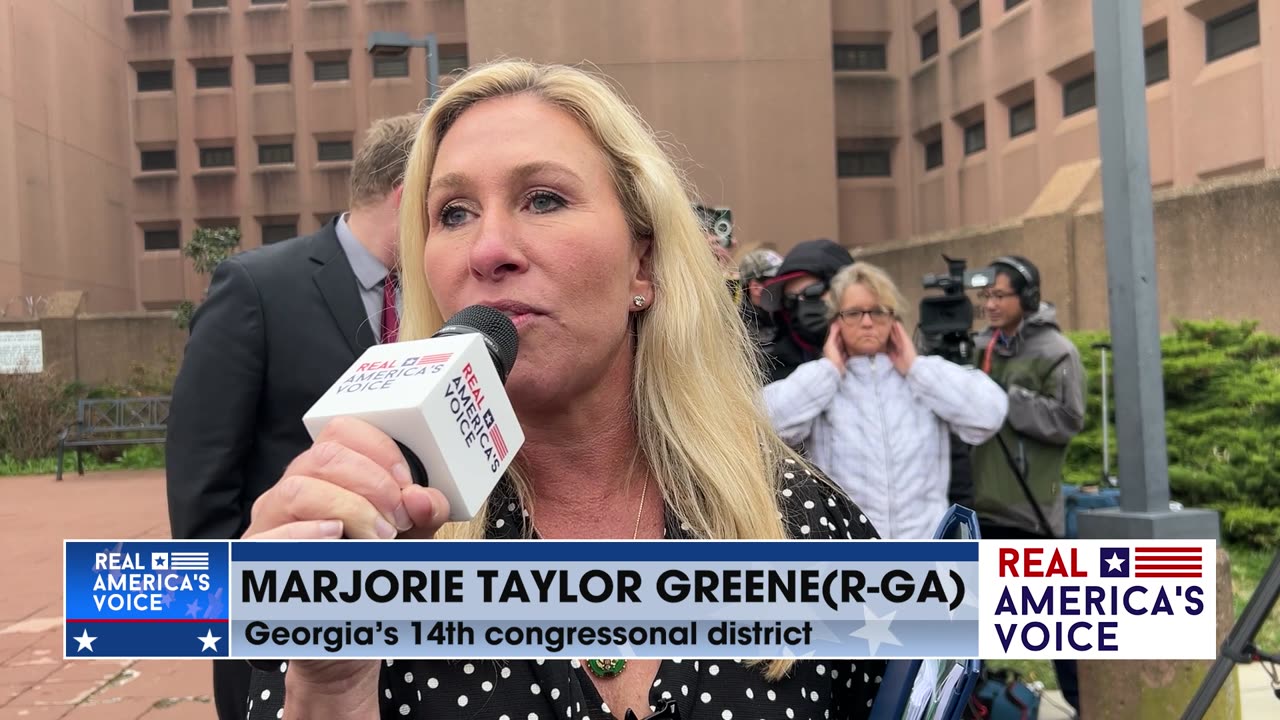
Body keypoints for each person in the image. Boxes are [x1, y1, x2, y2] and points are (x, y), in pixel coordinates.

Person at [240, 59, 886, 720]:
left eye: (543, 198)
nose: (488, 249)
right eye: (454, 213)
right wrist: (333, 687)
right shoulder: (368, 542)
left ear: (643, 262)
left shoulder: (802, 521)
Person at [164, 113, 422, 719]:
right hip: (287, 623)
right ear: (409, 198)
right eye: (452, 205)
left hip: (412, 625)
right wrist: (247, 623)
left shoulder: (442, 293)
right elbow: (202, 481)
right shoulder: (257, 286)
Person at [763, 262, 1007, 539]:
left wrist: (916, 369)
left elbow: (990, 414)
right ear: (836, 322)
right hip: (851, 557)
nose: (867, 322)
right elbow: (764, 423)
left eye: (878, 312)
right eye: (854, 313)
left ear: (894, 320)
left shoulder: (923, 377)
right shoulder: (822, 383)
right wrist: (827, 372)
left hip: (923, 555)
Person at [970, 254, 1085, 714]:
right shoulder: (980, 345)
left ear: (1028, 297)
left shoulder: (1058, 350)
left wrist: (1005, 400)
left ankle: (1081, 704)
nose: (991, 304)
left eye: (1000, 295)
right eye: (986, 296)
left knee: (1058, 621)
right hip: (981, 505)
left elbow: (1068, 419)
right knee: (968, 618)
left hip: (1031, 510)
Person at [755, 238, 855, 383]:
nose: (801, 306)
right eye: (790, 300)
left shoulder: (889, 358)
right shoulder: (772, 375)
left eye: (812, 293)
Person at [737, 247, 783, 347]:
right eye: (777, 281)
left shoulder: (785, 316)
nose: (784, 286)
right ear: (756, 287)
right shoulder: (738, 329)